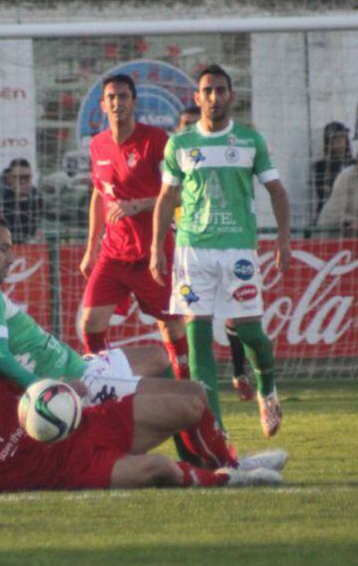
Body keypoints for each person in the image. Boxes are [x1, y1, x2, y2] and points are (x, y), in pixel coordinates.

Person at [0, 215, 278, 468]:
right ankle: (230, 466)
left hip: (79, 365)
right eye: (3, 249)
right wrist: (48, 391)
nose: (11, 258)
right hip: (79, 382)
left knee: (162, 357)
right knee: (194, 396)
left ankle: (202, 452)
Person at [0, 314, 285, 498]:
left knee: (192, 400)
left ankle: (233, 461)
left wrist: (61, 389)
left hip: (82, 425)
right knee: (159, 468)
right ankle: (228, 481)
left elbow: (27, 390)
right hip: (68, 470)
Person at [151, 64, 292, 438]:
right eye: (207, 91)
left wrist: (283, 238)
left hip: (238, 251)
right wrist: (156, 249)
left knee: (251, 333)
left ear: (231, 96)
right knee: (197, 339)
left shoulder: (249, 142)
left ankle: (268, 390)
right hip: (192, 251)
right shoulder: (179, 144)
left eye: (220, 90)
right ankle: (213, 427)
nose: (214, 97)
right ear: (197, 98)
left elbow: (276, 191)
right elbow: (166, 198)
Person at [79, 74, 190, 391]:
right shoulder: (97, 144)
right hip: (113, 254)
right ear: (103, 105)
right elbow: (99, 196)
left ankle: (185, 391)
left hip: (152, 252)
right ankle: (109, 389)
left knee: (170, 327)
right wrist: (91, 249)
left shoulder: (156, 141)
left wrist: (140, 205)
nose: (117, 103)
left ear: (134, 102)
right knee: (91, 324)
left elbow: (183, 193)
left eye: (123, 97)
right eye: (111, 98)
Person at [174, 105, 254, 402]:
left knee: (234, 312)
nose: (189, 129)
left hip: (221, 243)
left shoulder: (215, 161)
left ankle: (237, 371)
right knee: (189, 319)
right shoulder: (175, 158)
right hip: (185, 246)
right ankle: (193, 381)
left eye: (193, 124)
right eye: (184, 125)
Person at [0, 158, 43, 244]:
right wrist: (16, 200)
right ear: (9, 178)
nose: (24, 181)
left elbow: (38, 222)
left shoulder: (35, 195)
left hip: (27, 242)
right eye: (19, 178)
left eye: (27, 178)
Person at [313, 121, 354, 220]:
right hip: (330, 214)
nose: (339, 143)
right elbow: (323, 193)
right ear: (328, 143)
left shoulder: (355, 164)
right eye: (335, 140)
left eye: (342, 138)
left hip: (353, 212)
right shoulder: (321, 166)